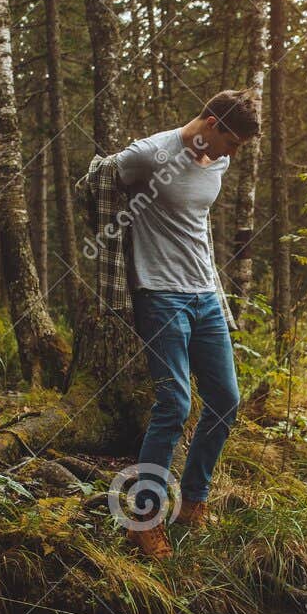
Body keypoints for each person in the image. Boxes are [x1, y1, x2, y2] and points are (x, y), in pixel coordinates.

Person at [109, 89, 259, 559]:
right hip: (159, 292)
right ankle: (143, 519)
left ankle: (194, 502)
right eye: (231, 142)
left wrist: (214, 289)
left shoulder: (219, 162)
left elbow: (198, 223)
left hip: (205, 294)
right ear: (210, 122)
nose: (233, 154)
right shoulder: (149, 155)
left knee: (225, 401)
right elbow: (94, 184)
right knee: (174, 401)